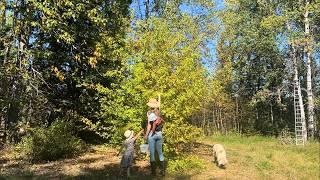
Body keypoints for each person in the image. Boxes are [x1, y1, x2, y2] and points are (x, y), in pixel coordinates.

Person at [144, 98, 165, 176]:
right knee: (160, 153)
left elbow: (150, 125)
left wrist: (146, 135)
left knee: (152, 154)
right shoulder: (159, 112)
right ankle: (163, 171)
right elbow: (162, 122)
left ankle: (153, 173)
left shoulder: (149, 113)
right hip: (159, 134)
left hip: (152, 134)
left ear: (150, 105)